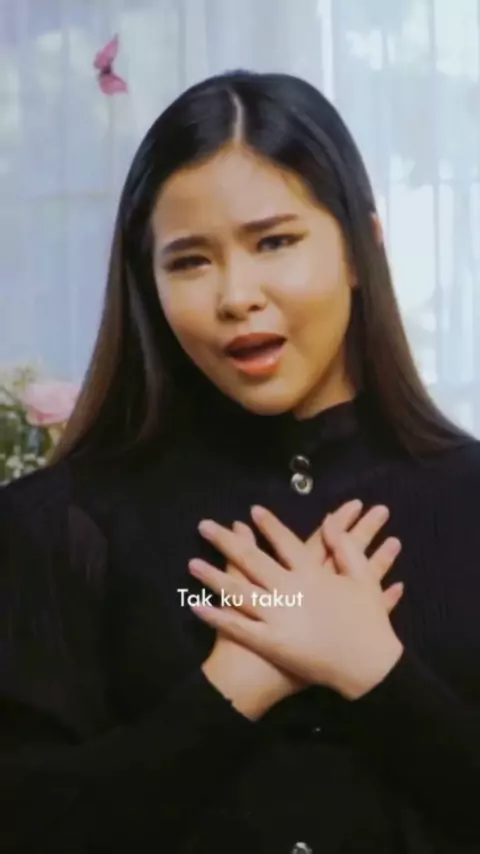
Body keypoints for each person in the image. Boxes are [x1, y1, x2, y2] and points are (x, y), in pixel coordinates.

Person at [1, 69, 479, 854]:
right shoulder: (58, 527)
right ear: (147, 283)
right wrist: (231, 689)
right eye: (190, 260)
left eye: (275, 242)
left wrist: (376, 672)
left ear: (363, 248)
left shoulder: (468, 500)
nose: (235, 295)